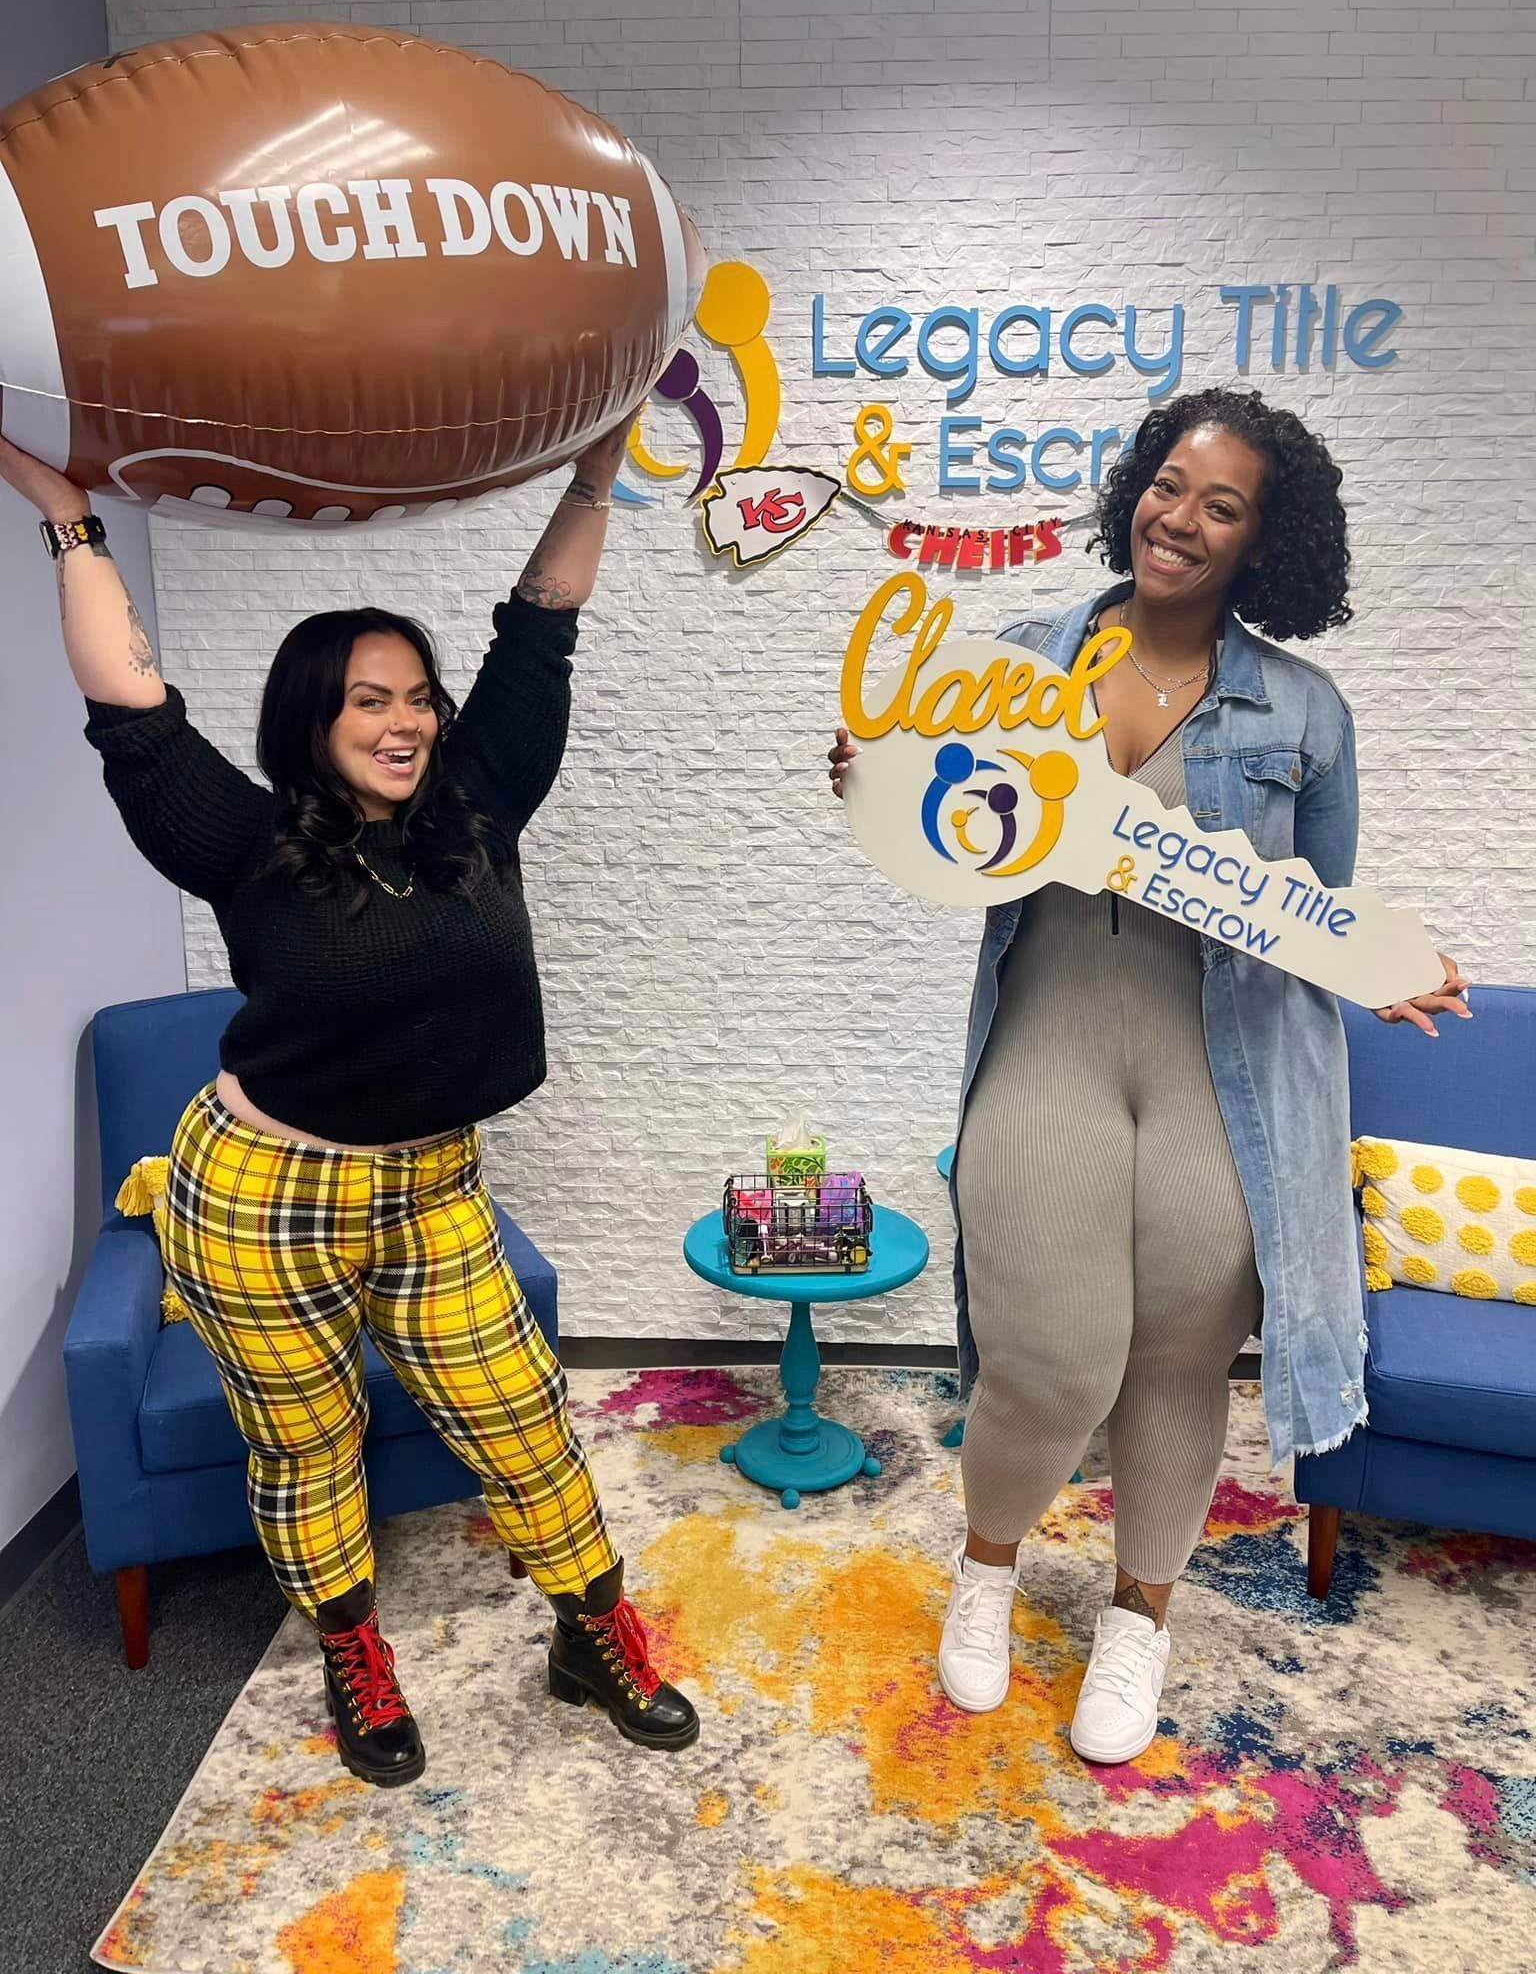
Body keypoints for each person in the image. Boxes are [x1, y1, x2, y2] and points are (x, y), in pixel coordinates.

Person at [1, 426, 699, 1785]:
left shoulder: (483, 804)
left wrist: (596, 474)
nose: (407, 721)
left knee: (521, 1415)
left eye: (419, 697)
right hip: (260, 1200)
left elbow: (542, 623)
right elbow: (130, 705)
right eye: (371, 700)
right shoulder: (245, 844)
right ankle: (352, 1651)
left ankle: (592, 1629)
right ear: (313, 722)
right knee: (305, 1445)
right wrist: (65, 511)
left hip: (433, 1189)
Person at [829, 388, 1468, 1765]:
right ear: (1137, 486)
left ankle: (1138, 1619)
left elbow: (1318, 911)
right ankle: (988, 1567)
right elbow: (951, 841)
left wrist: (1386, 966)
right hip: (1048, 1043)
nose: (1181, 518)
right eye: (1171, 485)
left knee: (1178, 1369)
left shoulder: (1304, 709)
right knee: (1051, 1362)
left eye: (1221, 505)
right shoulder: (1012, 664)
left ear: (1263, 540)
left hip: (1221, 1075)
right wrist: (879, 786)